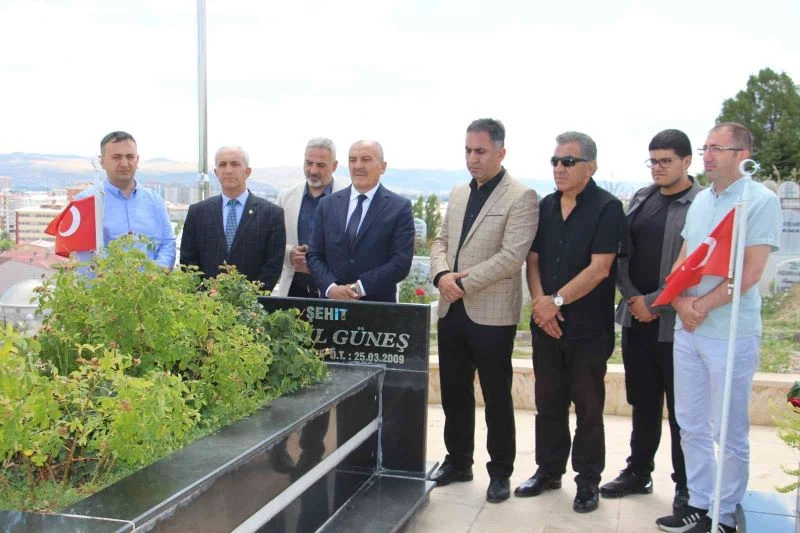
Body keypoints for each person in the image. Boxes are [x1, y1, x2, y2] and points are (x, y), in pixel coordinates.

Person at [655, 123, 782, 533]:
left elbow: (750, 271)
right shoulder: (701, 201)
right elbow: (685, 258)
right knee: (689, 423)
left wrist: (701, 306)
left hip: (729, 333)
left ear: (742, 154)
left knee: (727, 431)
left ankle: (723, 514)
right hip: (689, 329)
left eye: (716, 148)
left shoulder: (759, 201)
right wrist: (679, 301)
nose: (707, 156)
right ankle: (698, 502)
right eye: (705, 148)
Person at [428, 118, 539, 504]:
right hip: (451, 310)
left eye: (480, 151)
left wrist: (461, 283)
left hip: (491, 315)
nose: (472, 158)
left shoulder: (521, 196)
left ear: (500, 152)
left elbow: (512, 257)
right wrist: (441, 275)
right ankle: (458, 462)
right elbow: (440, 241)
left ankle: (500, 471)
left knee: (496, 396)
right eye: (468, 150)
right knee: (454, 392)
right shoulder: (459, 193)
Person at [515, 131, 625, 514]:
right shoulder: (545, 206)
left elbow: (601, 268)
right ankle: (548, 472)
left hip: (588, 330)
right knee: (548, 403)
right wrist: (540, 305)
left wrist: (555, 301)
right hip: (546, 326)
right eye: (555, 161)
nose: (559, 168)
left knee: (588, 409)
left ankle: (588, 480)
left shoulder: (608, 208)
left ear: (590, 167)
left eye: (568, 162)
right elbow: (532, 260)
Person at [600, 129, 702, 512]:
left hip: (675, 325)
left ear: (686, 161)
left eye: (666, 161)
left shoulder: (701, 204)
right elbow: (622, 253)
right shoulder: (643, 198)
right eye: (653, 161)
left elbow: (695, 266)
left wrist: (654, 303)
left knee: (681, 413)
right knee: (643, 402)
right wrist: (633, 298)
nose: (658, 168)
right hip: (636, 318)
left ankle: (686, 486)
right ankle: (638, 472)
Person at [306, 140, 414, 303]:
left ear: (382, 167)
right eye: (352, 160)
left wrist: (358, 288)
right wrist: (331, 288)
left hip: (377, 308)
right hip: (332, 305)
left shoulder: (399, 208)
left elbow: (401, 262)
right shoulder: (327, 204)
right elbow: (314, 255)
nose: (357, 166)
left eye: (366, 159)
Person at [180, 146, 285, 291]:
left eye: (235, 164)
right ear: (216, 172)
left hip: (251, 302)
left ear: (247, 171)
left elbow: (273, 266)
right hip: (205, 302)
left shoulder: (271, 214)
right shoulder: (198, 213)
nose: (228, 170)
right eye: (222, 165)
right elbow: (188, 262)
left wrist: (250, 299)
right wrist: (203, 298)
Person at [77, 131, 175, 268]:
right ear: (102, 161)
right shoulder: (86, 201)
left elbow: (167, 242)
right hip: (106, 281)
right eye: (116, 157)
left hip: (153, 281)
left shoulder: (155, 200)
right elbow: (85, 255)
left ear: (137, 160)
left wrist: (156, 273)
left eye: (130, 157)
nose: (124, 163)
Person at [275, 137, 348, 297]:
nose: (313, 171)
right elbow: (272, 242)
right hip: (293, 289)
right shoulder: (286, 197)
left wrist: (318, 262)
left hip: (333, 289)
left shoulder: (349, 200)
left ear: (334, 166)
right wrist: (290, 254)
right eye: (309, 163)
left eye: (321, 165)